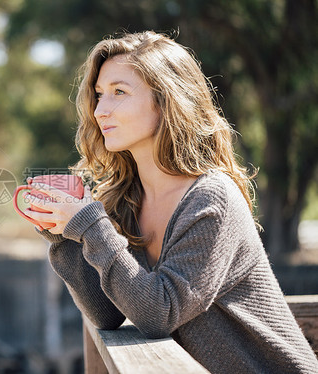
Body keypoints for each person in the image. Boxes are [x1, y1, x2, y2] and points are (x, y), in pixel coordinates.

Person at [21, 31, 318, 373]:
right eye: (99, 95)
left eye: (119, 93)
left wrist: (91, 224)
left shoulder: (211, 199)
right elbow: (107, 313)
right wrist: (62, 235)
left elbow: (159, 312)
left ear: (166, 101)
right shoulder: (124, 199)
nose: (101, 110)